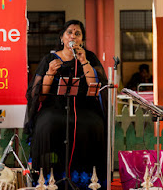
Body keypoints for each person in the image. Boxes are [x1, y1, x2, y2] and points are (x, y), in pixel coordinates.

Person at [24, 20, 108, 189]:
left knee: (94, 124)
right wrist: (49, 73)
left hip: (83, 108)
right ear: (62, 37)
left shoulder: (89, 57)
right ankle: (46, 177)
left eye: (78, 34)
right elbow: (40, 96)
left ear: (82, 40)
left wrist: (83, 61)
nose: (73, 36)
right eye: (70, 32)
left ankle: (86, 178)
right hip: (54, 107)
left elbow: (95, 87)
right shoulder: (50, 58)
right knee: (47, 123)